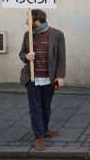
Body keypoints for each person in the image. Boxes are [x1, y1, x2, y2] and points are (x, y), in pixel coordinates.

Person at [19, 9, 66, 151]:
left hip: (49, 79)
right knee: (35, 109)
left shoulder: (57, 34)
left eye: (29, 19)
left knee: (46, 107)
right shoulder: (28, 34)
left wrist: (60, 76)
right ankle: (39, 137)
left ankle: (44, 129)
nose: (27, 22)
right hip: (32, 78)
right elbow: (22, 53)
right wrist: (26, 56)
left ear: (37, 21)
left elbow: (61, 58)